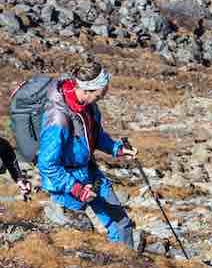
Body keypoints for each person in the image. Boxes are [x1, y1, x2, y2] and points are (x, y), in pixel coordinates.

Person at [37, 58, 138, 246]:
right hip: (66, 183)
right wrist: (77, 189)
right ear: (86, 89)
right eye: (99, 95)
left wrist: (118, 149)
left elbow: (94, 136)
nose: (100, 99)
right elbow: (47, 164)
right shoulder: (58, 118)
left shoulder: (89, 107)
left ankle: (127, 266)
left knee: (122, 225)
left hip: (90, 173)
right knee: (79, 239)